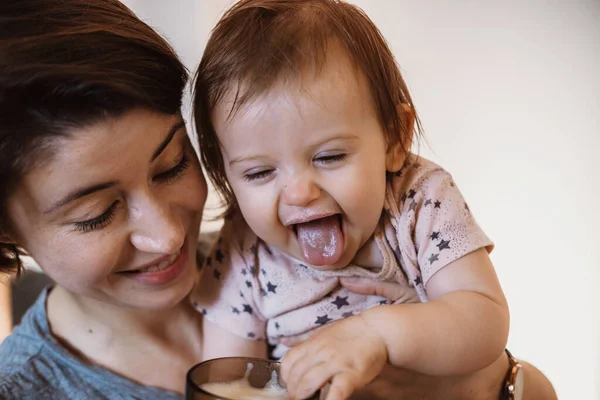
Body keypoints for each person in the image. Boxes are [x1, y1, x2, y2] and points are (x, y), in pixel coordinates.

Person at [0, 0, 557, 399]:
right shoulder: (26, 387)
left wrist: (494, 384)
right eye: (95, 215)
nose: (170, 237)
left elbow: (504, 354)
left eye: (172, 166)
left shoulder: (406, 204)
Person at [191, 0, 509, 398]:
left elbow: (483, 321)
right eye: (259, 173)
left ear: (394, 137)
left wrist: (377, 334)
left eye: (329, 157)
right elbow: (226, 382)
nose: (299, 192)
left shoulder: (418, 201)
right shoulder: (241, 251)